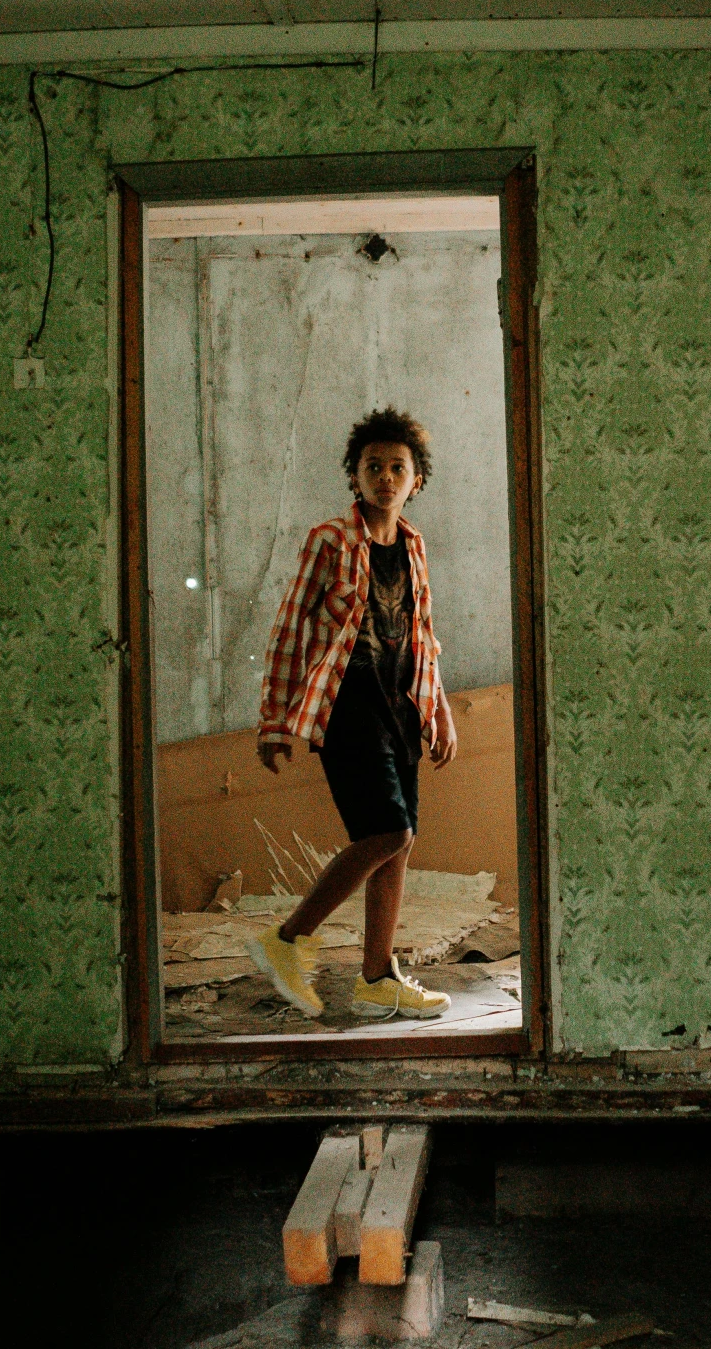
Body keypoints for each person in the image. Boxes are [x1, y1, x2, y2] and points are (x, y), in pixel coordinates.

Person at [247, 407, 460, 1020]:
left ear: (417, 479)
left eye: (398, 467)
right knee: (388, 831)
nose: (386, 477)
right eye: (374, 467)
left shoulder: (414, 546)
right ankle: (287, 940)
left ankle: (375, 979)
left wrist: (439, 710)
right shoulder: (330, 541)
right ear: (355, 478)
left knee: (400, 846)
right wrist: (274, 721)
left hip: (400, 710)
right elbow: (289, 628)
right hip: (346, 710)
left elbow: (423, 634)